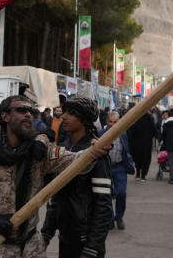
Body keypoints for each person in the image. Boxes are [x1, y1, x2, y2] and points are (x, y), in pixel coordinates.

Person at [0, 94, 109, 257]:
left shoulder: (39, 152)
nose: (28, 114)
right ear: (5, 116)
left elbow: (74, 161)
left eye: (31, 110)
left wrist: (94, 151)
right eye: (21, 110)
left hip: (29, 249)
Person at [41, 95, 112, 258]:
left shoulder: (97, 152)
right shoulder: (62, 149)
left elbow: (104, 206)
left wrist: (91, 248)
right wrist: (46, 233)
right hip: (65, 238)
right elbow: (55, 196)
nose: (63, 116)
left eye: (71, 113)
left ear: (84, 120)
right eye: (64, 112)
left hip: (86, 243)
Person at [100, 111, 134, 230]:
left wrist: (129, 163)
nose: (113, 125)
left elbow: (127, 150)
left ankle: (119, 218)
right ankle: (109, 219)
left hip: (119, 167)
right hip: (105, 167)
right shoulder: (101, 134)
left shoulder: (123, 134)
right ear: (106, 121)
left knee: (121, 193)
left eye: (116, 122)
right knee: (106, 195)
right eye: (111, 122)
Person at [127, 108, 156, 181]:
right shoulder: (150, 119)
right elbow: (154, 131)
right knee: (146, 159)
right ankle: (143, 175)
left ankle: (137, 174)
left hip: (136, 143)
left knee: (137, 158)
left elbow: (131, 132)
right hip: (147, 143)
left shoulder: (135, 119)